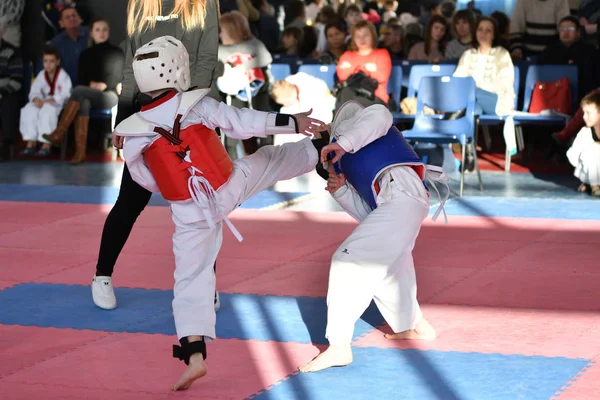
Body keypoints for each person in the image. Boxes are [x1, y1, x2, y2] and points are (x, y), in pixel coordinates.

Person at [115, 36, 326, 391]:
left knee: (189, 279)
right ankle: (320, 148)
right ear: (178, 69)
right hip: (227, 186)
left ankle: (194, 354)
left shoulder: (132, 133)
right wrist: (292, 123)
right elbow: (244, 122)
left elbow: (146, 181)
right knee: (270, 160)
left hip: (188, 211)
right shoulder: (198, 105)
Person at [299, 101, 448, 373]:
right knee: (390, 268)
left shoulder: (368, 122)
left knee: (349, 261)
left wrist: (341, 142)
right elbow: (371, 217)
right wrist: (342, 192)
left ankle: (339, 347)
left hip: (403, 197)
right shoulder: (349, 154)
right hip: (400, 203)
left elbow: (380, 114)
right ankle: (415, 326)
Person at [91, 0, 220, 311]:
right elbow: (131, 67)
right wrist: (123, 117)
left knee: (201, 206)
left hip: (189, 115)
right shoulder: (140, 5)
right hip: (146, 117)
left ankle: (206, 283)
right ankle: (102, 275)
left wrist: (180, 108)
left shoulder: (203, 4)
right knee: (129, 203)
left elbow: (207, 60)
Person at [19, 45, 72, 156]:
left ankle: (46, 144)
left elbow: (66, 94)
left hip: (57, 105)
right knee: (29, 109)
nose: (48, 64)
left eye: (51, 61)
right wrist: (36, 99)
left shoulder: (63, 76)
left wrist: (49, 101)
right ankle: (31, 143)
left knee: (48, 110)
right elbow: (35, 90)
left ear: (58, 62)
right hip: (42, 102)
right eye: (45, 61)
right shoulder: (41, 75)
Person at [566, 91, 600, 197]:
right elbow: (572, 155)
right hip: (588, 171)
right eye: (584, 113)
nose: (584, 117)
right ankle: (594, 186)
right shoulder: (585, 133)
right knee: (593, 149)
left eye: (588, 113)